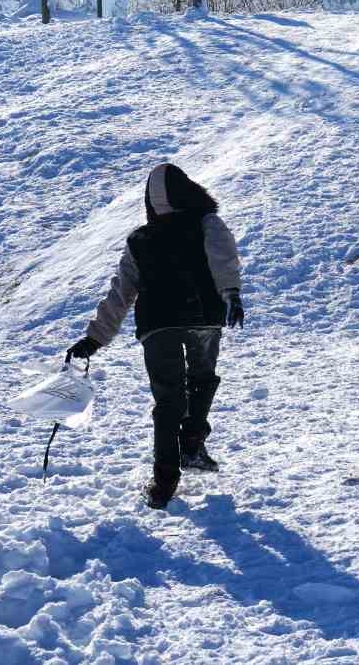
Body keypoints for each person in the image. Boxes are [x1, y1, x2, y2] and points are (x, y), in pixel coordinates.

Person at [67, 163, 244, 508]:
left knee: (168, 400)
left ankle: (164, 480)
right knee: (203, 379)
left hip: (158, 326)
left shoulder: (141, 239)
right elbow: (224, 259)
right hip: (203, 318)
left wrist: (96, 338)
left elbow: (120, 293)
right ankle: (192, 444)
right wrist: (231, 294)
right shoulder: (206, 222)